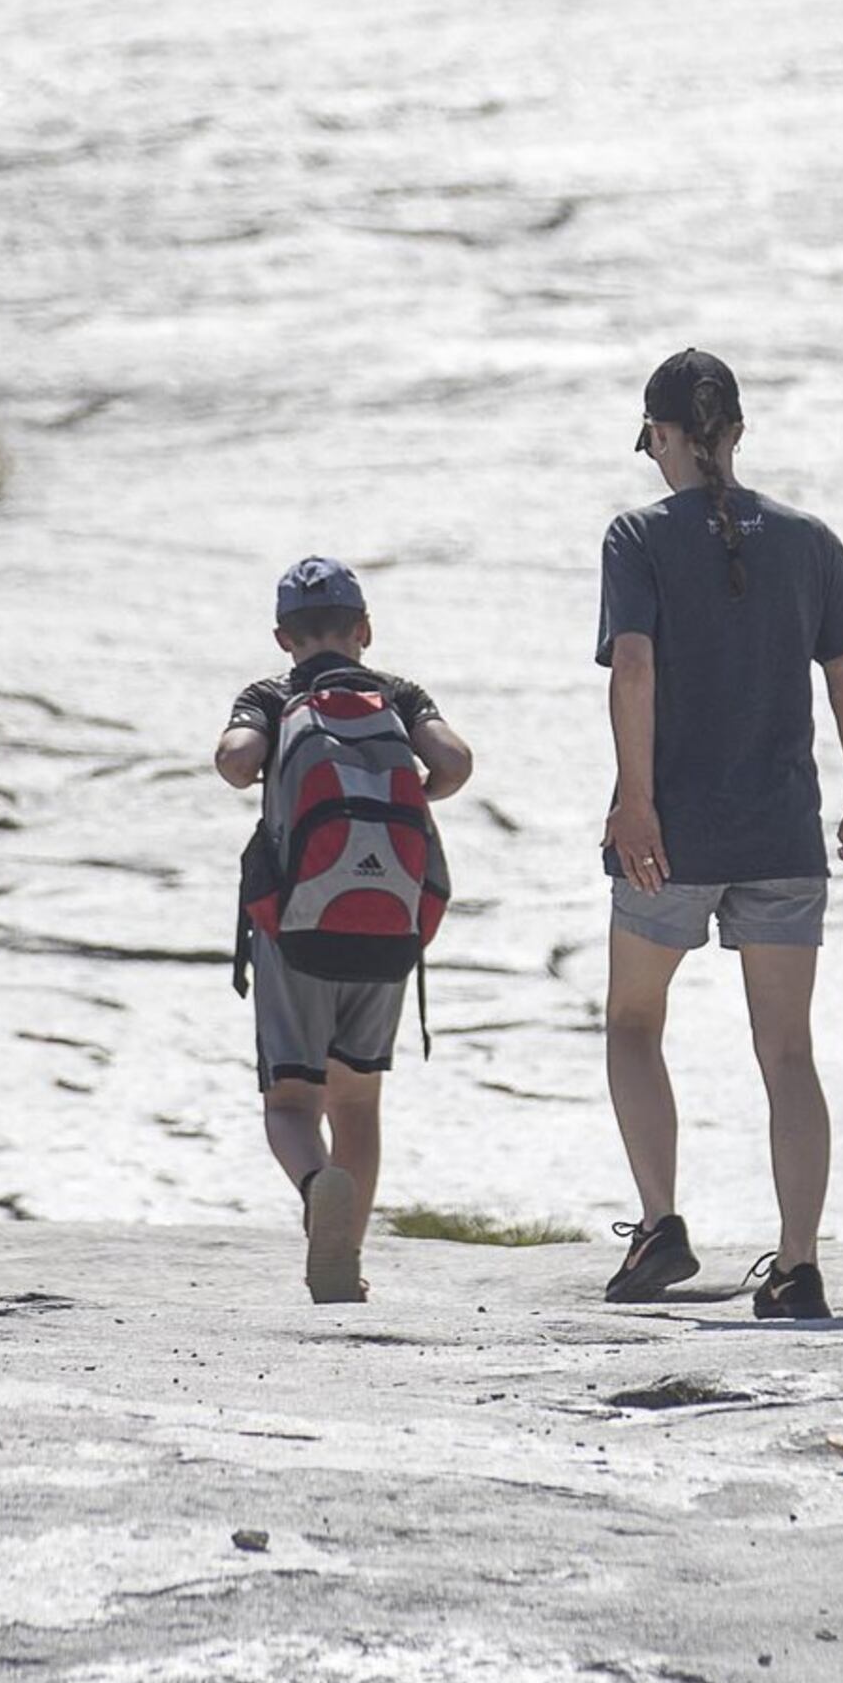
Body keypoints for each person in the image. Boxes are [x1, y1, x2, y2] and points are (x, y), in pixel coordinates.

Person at [598, 348, 843, 1322]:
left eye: (656, 441)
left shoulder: (638, 538)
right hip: (780, 834)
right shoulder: (808, 539)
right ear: (740, 435)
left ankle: (660, 1224)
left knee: (634, 1022)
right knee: (788, 1054)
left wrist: (636, 802)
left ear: (668, 437)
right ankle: (799, 1266)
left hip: (668, 837)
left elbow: (632, 668)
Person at [215, 556, 474, 1304]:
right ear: (363, 629)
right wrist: (420, 791)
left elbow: (236, 761)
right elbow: (455, 760)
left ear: (282, 636)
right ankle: (347, 1254)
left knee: (292, 1103)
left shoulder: (273, 692)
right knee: (357, 1103)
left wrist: (258, 756)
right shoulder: (396, 692)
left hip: (296, 927)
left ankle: (314, 1186)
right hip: (388, 927)